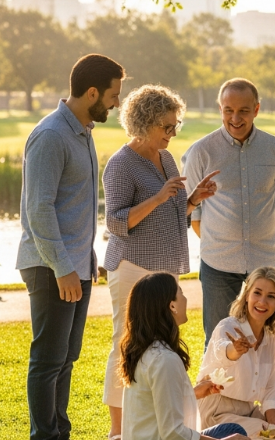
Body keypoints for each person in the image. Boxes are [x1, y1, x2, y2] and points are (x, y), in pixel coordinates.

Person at [102, 84, 220, 438]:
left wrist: (193, 200)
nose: (172, 133)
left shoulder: (166, 158)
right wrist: (156, 198)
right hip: (133, 266)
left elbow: (172, 215)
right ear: (143, 122)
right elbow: (116, 223)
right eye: (165, 127)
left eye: (175, 126)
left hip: (165, 264)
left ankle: (162, 420)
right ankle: (118, 430)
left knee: (160, 344)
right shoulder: (121, 164)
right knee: (125, 343)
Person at [16, 53, 124, 440]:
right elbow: (38, 209)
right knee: (47, 360)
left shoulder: (82, 130)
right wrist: (62, 267)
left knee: (65, 359)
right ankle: (45, 436)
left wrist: (87, 259)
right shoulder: (51, 136)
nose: (116, 102)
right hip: (51, 266)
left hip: (76, 264)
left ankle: (59, 432)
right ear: (92, 91)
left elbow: (74, 204)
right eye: (112, 94)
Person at [182, 78, 275, 346]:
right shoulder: (201, 151)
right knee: (219, 339)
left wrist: (261, 232)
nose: (235, 117)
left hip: (266, 259)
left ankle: (270, 389)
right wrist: (219, 240)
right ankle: (219, 390)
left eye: (243, 110)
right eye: (228, 110)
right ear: (220, 109)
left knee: (272, 338)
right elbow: (191, 211)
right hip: (218, 264)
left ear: (256, 109)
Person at [119, 272, 249, 440]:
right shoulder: (164, 359)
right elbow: (173, 433)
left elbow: (154, 405)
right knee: (236, 435)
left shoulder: (145, 352)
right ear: (172, 306)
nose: (185, 299)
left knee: (231, 429)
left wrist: (192, 393)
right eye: (181, 292)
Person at [196, 267, 275, 436]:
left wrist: (274, 424)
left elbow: (271, 389)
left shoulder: (271, 338)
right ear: (247, 295)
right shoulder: (227, 326)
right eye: (257, 293)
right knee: (264, 432)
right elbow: (221, 352)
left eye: (271, 296)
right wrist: (235, 350)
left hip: (247, 409)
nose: (262, 302)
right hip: (216, 412)